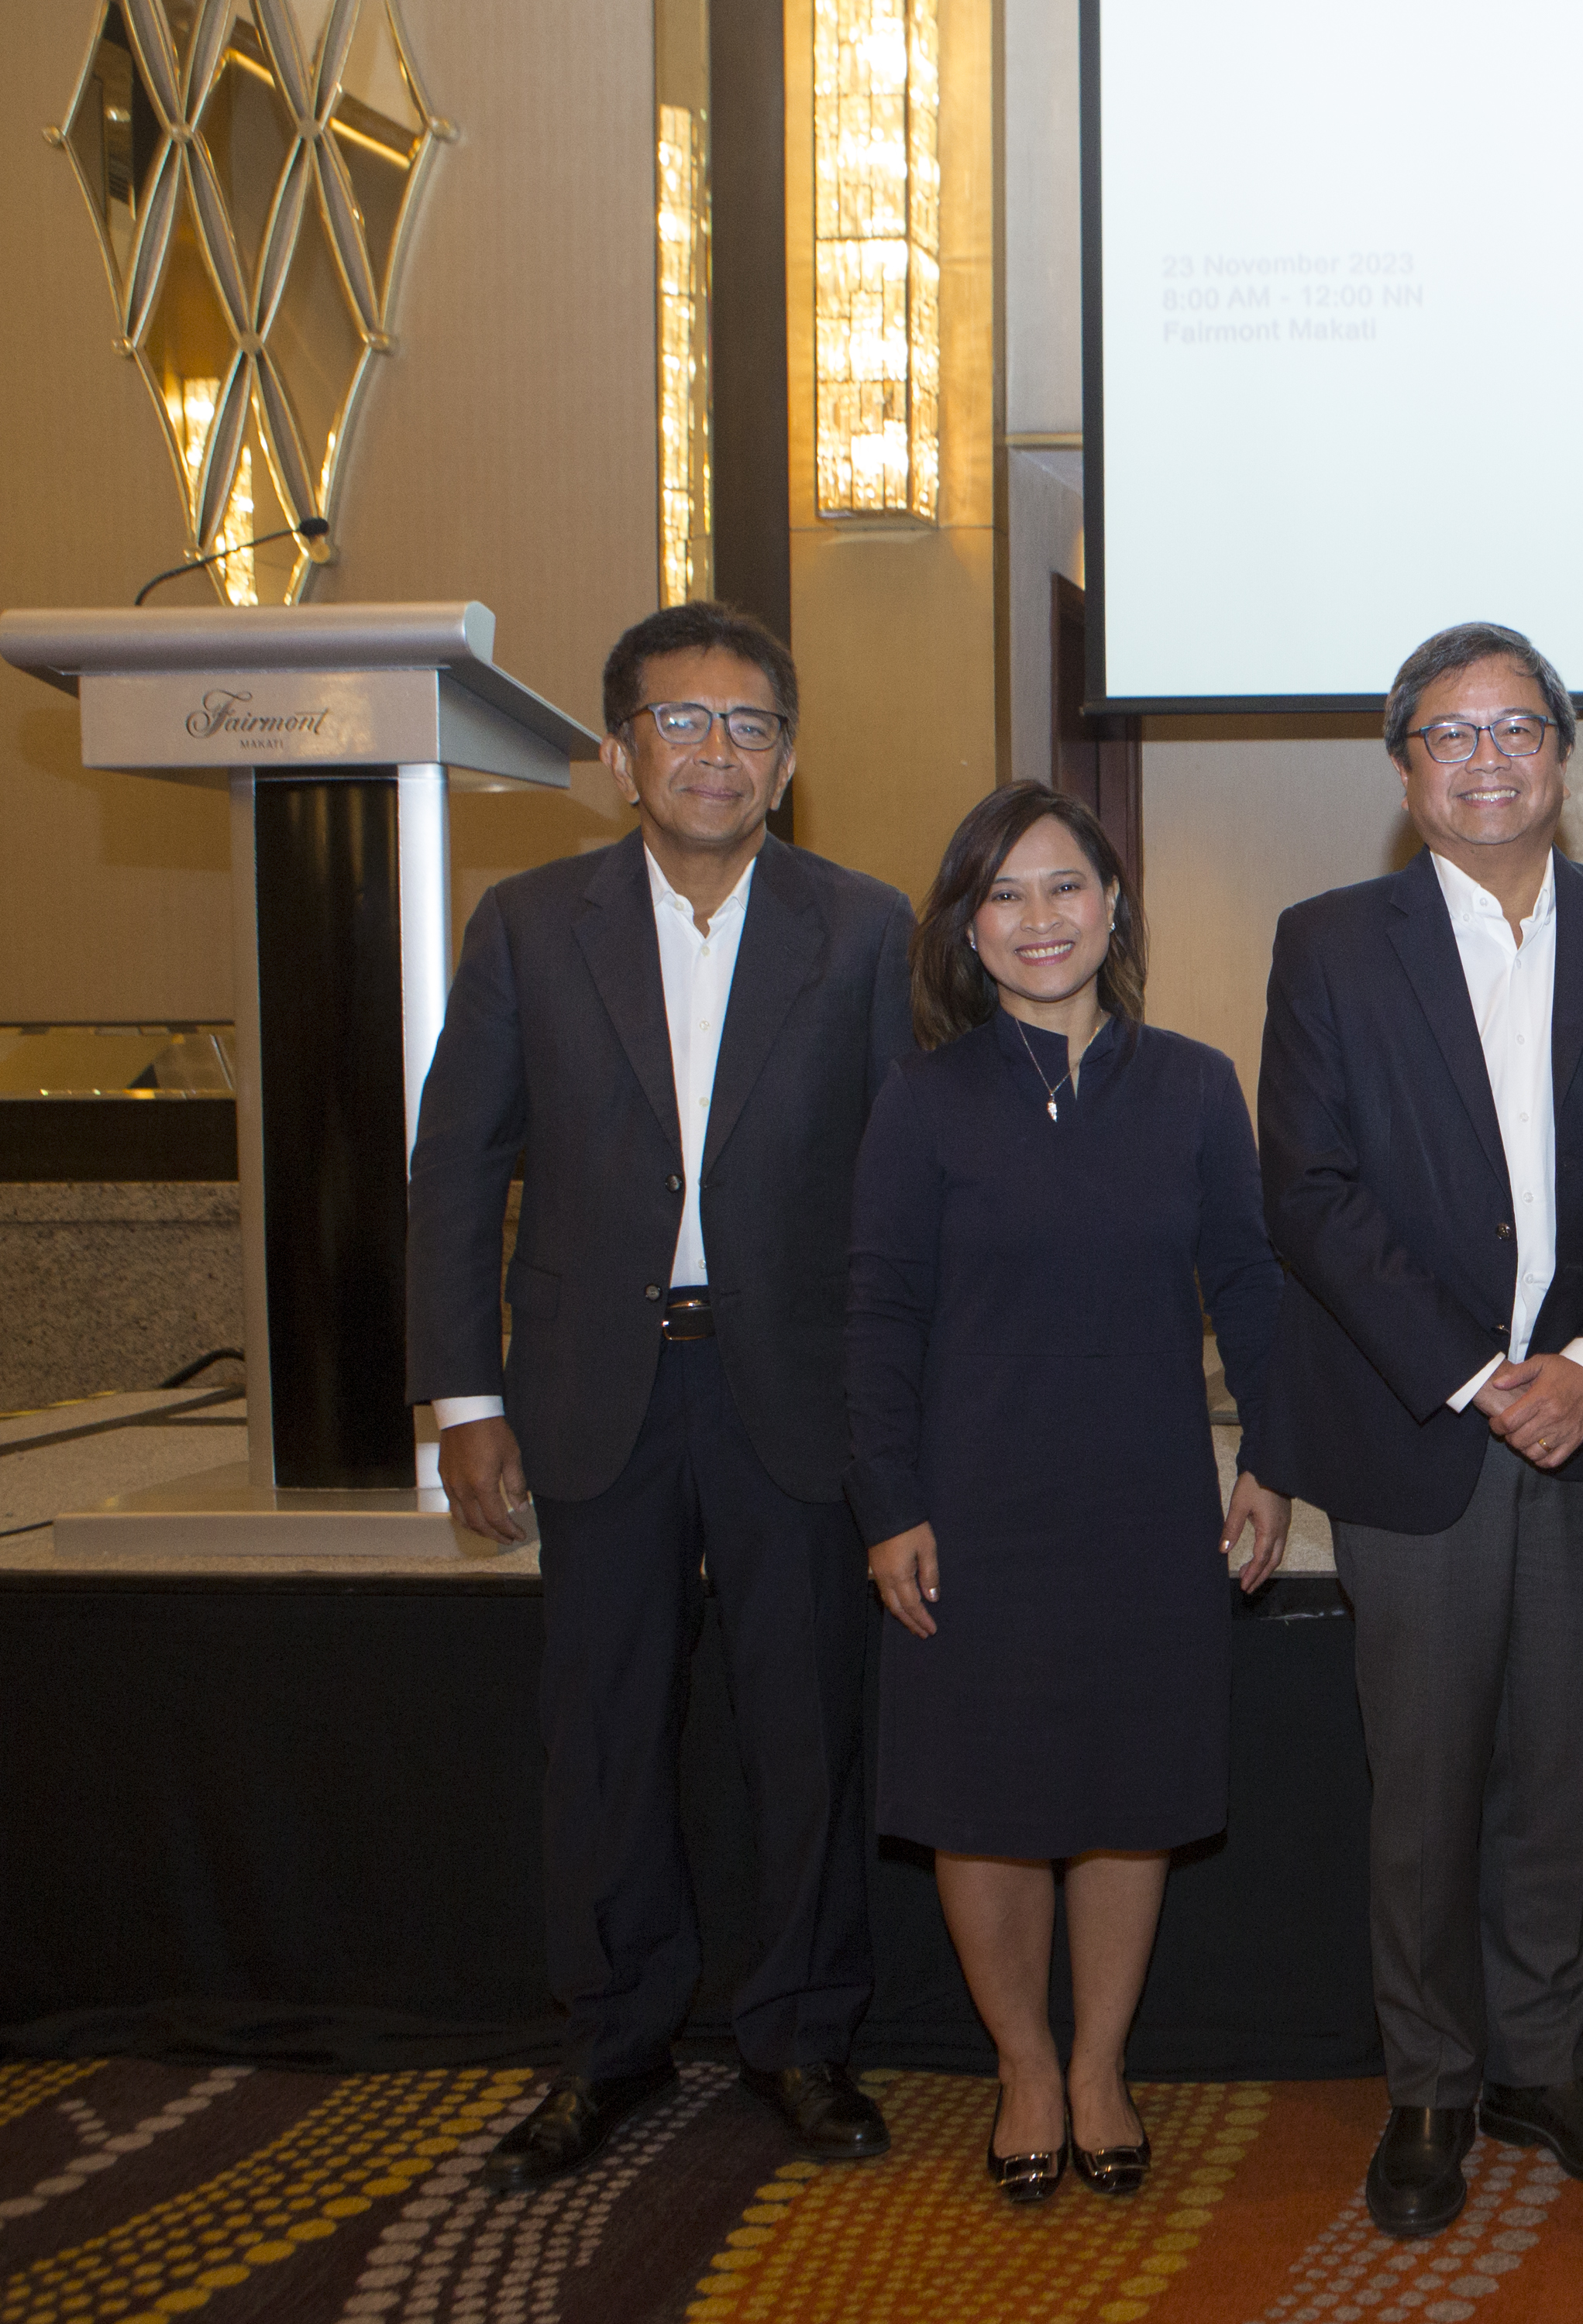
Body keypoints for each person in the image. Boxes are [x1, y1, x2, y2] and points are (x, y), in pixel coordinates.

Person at [408, 601, 913, 2188]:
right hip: (593, 1389)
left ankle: (801, 2033)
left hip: (799, 1396)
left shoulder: (865, 926)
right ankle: (613, 2038)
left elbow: (906, 1193)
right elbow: (454, 1171)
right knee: (605, 1730)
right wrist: (459, 1397)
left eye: (750, 726)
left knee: (808, 1731)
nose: (717, 752)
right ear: (622, 752)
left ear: (790, 759)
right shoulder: (528, 924)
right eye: (680, 723)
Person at [1247, 621, 1583, 2240]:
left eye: (1518, 730)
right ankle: (1431, 2086)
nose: (1487, 759)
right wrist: (1474, 1371)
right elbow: (1308, 1192)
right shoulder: (1329, 943)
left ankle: (1542, 2064)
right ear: (1403, 769)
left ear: (1563, 759)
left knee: (1560, 1770)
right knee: (1425, 1780)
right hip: (1414, 1430)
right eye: (1450, 735)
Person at [846, 784, 1292, 2204]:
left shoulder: (1197, 1086)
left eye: (1065, 888)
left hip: (1144, 1501)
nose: (1040, 920)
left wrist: (1273, 1453)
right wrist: (888, 1502)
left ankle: (1101, 2062)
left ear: (1114, 906)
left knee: (1126, 1799)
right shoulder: (922, 1103)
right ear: (970, 935)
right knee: (983, 1804)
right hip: (970, 1509)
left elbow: (1252, 1286)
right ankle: (1024, 2065)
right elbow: (876, 1316)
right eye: (1005, 897)